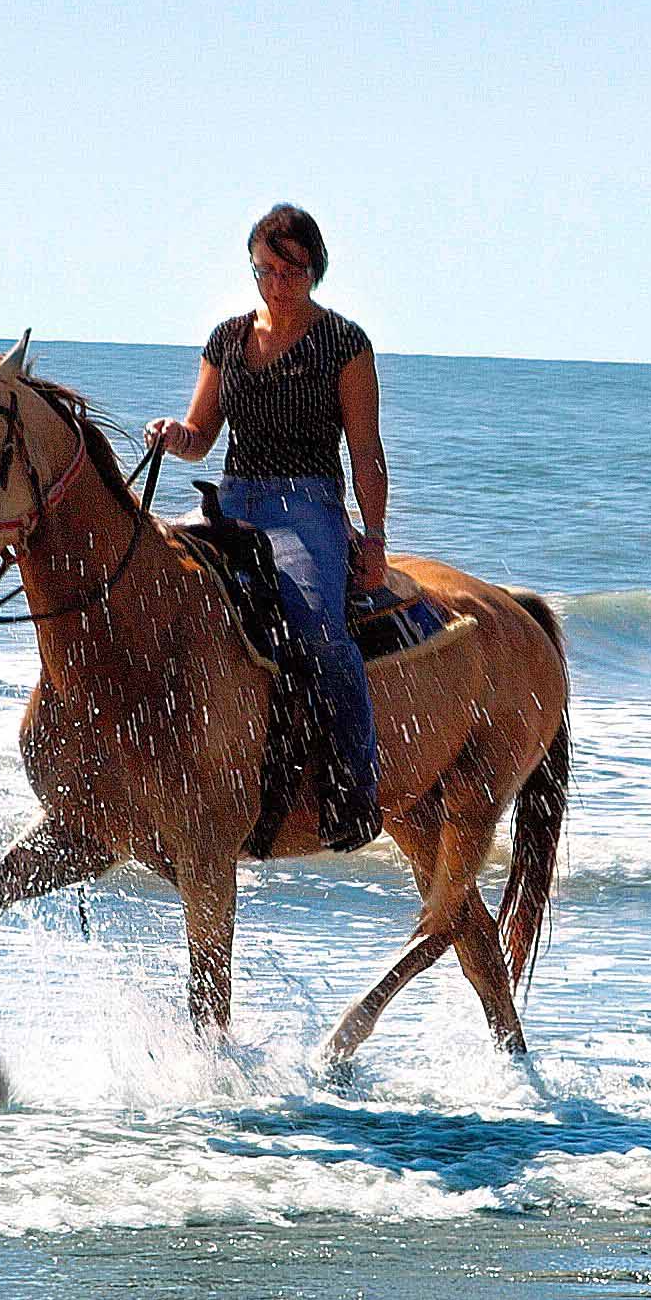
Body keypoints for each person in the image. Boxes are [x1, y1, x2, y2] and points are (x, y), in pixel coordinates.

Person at [150, 202, 388, 833]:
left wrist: (376, 540)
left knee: (320, 633)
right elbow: (201, 435)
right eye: (266, 271)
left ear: (315, 270)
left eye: (293, 271)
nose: (279, 285)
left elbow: (366, 452)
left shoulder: (344, 343)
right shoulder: (227, 339)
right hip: (231, 499)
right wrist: (175, 433)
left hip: (305, 505)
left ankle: (352, 789)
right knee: (145, 583)